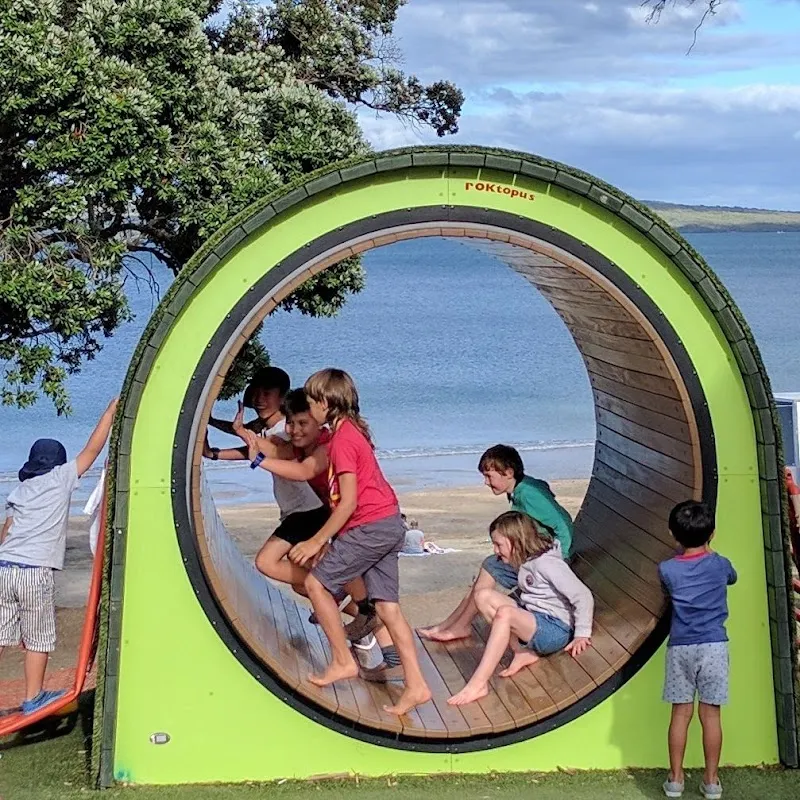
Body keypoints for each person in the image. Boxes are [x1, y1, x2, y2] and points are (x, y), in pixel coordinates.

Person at [287, 368, 431, 715]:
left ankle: (342, 661)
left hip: (371, 525)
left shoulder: (342, 441)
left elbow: (348, 501)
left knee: (316, 584)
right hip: (387, 522)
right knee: (387, 609)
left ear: (324, 403)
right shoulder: (350, 432)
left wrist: (317, 540)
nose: (309, 408)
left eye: (310, 401)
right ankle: (417, 686)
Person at [0, 398, 118, 714]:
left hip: (5, 566)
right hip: (33, 570)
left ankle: (30, 695)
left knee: (0, 634)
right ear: (58, 463)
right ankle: (33, 697)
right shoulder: (60, 479)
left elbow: (6, 531)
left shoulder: (18, 490)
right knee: (38, 637)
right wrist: (108, 414)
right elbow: (91, 451)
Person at [419, 444, 574, 643]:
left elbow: (563, 524)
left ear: (508, 473)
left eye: (489, 476)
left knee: (490, 567)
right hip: (534, 556)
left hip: (542, 562)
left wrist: (562, 559)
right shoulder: (521, 488)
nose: (485, 482)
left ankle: (457, 626)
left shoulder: (528, 494)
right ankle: (452, 625)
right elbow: (544, 487)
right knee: (490, 565)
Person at [448, 511, 592, 706]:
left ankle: (478, 683)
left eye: (499, 544)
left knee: (505, 614)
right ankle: (521, 651)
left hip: (555, 629)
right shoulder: (526, 561)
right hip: (535, 618)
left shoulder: (547, 564)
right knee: (483, 596)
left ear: (517, 540)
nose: (495, 550)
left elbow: (582, 595)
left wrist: (582, 634)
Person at [659, 500, 737, 800]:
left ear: (672, 534)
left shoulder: (666, 569)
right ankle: (712, 780)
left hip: (680, 647)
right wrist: (712, 553)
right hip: (715, 646)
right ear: (712, 533)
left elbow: (668, 590)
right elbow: (732, 578)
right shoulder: (720, 564)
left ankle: (676, 779)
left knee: (680, 714)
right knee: (711, 715)